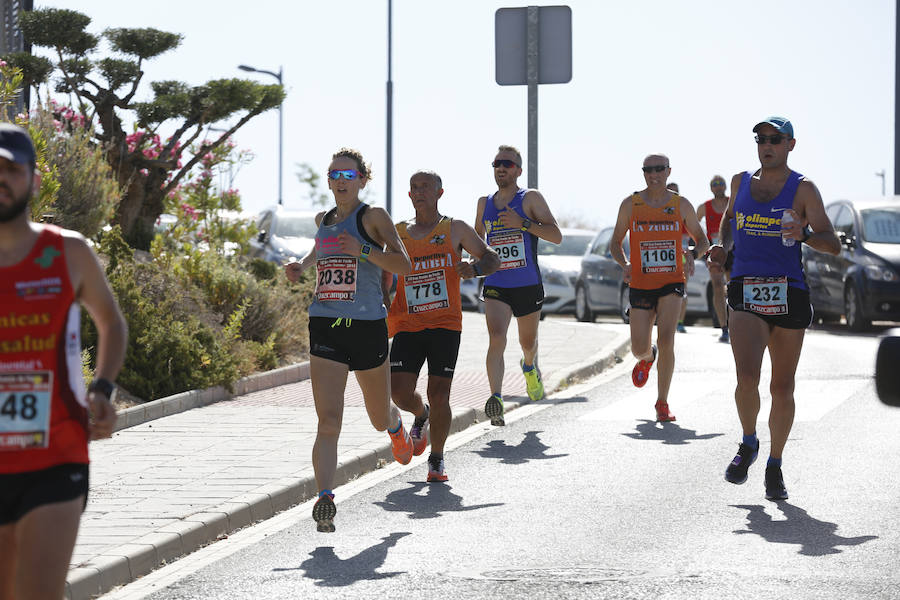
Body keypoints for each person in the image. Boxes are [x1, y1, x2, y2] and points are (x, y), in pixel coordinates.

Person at [0, 123, 128, 600]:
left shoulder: (69, 252)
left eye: (11, 169)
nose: (1, 178)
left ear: (33, 180)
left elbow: (112, 324)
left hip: (56, 455)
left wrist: (102, 390)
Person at [707, 117, 839, 499]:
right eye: (761, 139)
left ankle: (775, 463)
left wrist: (806, 234)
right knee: (747, 378)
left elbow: (833, 243)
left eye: (775, 139)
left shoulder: (804, 189)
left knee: (782, 387)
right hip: (746, 288)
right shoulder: (740, 182)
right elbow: (729, 222)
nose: (766, 145)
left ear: (790, 145)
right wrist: (722, 246)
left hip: (790, 291)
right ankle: (749, 441)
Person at [285, 148, 413, 533]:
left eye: (348, 174)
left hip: (367, 326)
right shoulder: (322, 220)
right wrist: (301, 266)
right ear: (329, 180)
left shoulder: (372, 217)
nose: (341, 180)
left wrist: (364, 250)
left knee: (376, 417)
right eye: (334, 174)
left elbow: (404, 264)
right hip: (324, 322)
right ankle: (325, 497)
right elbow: (320, 250)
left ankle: (395, 426)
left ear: (362, 179)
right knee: (329, 421)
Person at [387, 170, 500, 482]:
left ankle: (436, 459)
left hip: (445, 324)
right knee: (399, 393)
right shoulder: (397, 234)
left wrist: (474, 268)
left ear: (439, 193)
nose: (420, 192)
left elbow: (492, 258)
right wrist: (382, 298)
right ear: (409, 195)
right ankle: (420, 415)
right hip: (408, 324)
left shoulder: (455, 228)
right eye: (414, 187)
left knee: (440, 394)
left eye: (426, 187)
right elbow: (383, 273)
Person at [610, 154, 708, 422]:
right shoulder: (631, 204)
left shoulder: (680, 204)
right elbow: (615, 243)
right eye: (648, 170)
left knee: (667, 339)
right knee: (638, 348)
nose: (654, 174)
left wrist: (691, 254)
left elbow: (703, 241)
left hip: (672, 281)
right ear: (643, 173)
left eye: (659, 169)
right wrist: (625, 263)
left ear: (668, 171)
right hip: (640, 283)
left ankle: (662, 402)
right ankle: (647, 357)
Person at [475, 145, 562, 426]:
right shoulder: (483, 203)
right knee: (497, 337)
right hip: (497, 282)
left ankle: (528, 367)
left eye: (508, 164)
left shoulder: (530, 198)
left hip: (527, 283)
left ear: (518, 171)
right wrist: (470, 263)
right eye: (497, 163)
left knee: (527, 342)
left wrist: (523, 223)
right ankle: (496, 399)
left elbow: (556, 235)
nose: (501, 167)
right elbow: (477, 241)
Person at [697, 175, 731, 342]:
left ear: (725, 186)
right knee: (718, 286)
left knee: (732, 287)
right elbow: (692, 225)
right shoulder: (704, 207)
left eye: (721, 183)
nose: (718, 186)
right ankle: (724, 327)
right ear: (711, 188)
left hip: (733, 250)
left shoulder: (733, 202)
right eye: (715, 184)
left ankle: (735, 323)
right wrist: (697, 245)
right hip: (714, 252)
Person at [667, 182, 691, 333]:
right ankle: (668, 320)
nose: (673, 195)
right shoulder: (659, 210)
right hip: (666, 255)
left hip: (681, 255)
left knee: (682, 289)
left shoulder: (683, 209)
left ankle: (680, 321)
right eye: (671, 192)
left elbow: (691, 234)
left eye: (676, 192)